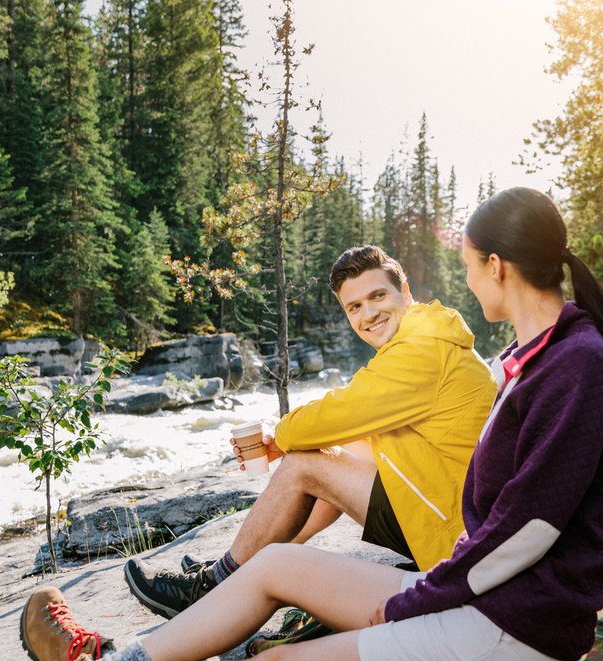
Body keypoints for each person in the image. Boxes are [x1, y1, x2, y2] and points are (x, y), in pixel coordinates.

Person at [0, 187, 603, 661]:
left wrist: (412, 602)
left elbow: (532, 528)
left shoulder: (573, 366)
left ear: (497, 266)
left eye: (472, 265)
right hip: (482, 597)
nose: (470, 281)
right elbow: (586, 494)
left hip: (511, 629)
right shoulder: (540, 357)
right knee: (272, 569)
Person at [125, 245, 496, 619]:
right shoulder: (427, 336)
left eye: (378, 296)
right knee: (331, 451)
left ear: (405, 291)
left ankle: (212, 587)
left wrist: (281, 439)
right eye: (354, 306)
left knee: (304, 465)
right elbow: (353, 428)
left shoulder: (421, 350)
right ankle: (247, 564)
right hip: (449, 500)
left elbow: (340, 410)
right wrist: (304, 442)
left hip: (453, 531)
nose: (368, 314)